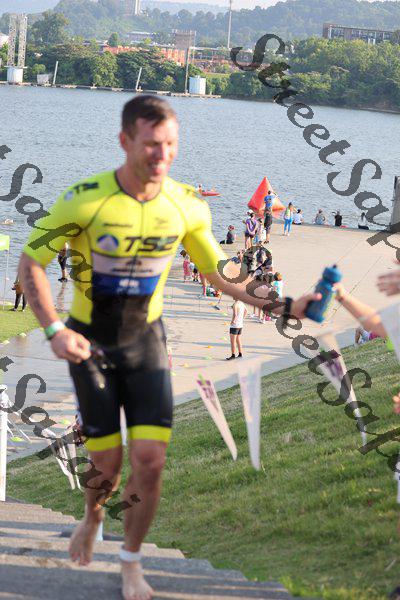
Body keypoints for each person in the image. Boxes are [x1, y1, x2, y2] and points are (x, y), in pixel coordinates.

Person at [19, 95, 318, 600]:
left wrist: (283, 303)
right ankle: (92, 515)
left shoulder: (187, 205)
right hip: (90, 343)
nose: (162, 155)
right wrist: (53, 329)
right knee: (107, 466)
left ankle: (131, 562)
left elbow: (223, 274)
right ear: (125, 141)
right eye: (152, 144)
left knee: (151, 460)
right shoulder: (84, 200)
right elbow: (31, 263)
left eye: (171, 145)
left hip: (147, 343)